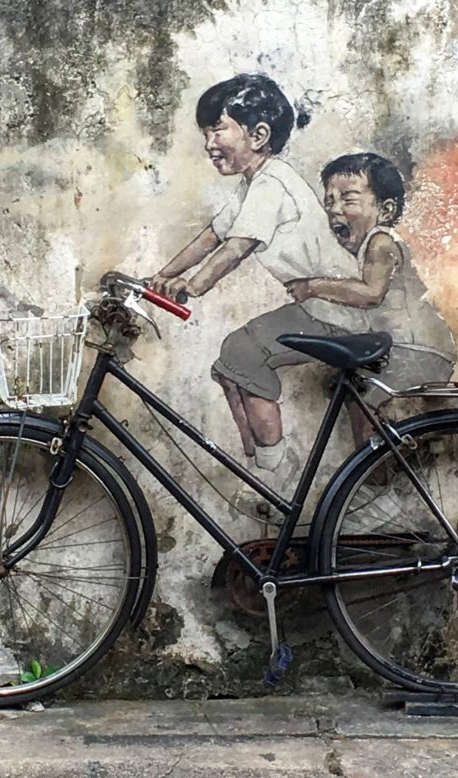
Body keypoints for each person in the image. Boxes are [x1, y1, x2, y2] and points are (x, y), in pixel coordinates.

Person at [149, 74, 362, 493]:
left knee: (243, 353)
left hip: (339, 309)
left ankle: (278, 467)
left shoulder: (273, 183)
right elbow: (213, 235)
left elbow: (235, 248)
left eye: (217, 129)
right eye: (206, 132)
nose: (209, 143)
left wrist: (192, 287)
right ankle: (262, 465)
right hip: (318, 308)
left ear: (259, 134)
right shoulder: (255, 183)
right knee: (230, 365)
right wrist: (163, 276)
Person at [288, 152, 457, 447]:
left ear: (386, 209)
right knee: (357, 397)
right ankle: (391, 467)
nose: (334, 209)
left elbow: (370, 293)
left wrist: (313, 286)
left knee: (365, 409)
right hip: (409, 348)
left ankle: (373, 483)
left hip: (417, 349)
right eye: (329, 201)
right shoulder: (366, 245)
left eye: (348, 199)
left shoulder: (381, 242)